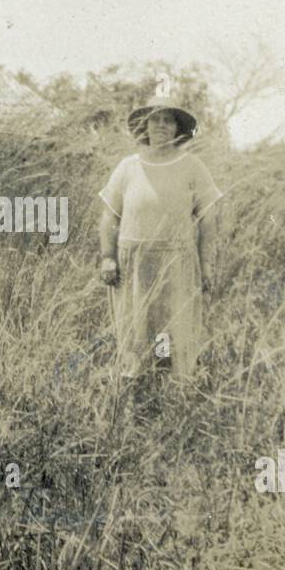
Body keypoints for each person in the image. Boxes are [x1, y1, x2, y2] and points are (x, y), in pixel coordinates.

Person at [98, 105, 224, 386]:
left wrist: (206, 265)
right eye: (155, 120)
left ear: (178, 129)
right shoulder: (128, 166)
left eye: (168, 121)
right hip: (133, 260)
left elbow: (208, 218)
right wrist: (108, 257)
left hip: (176, 259)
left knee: (174, 328)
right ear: (145, 127)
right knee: (134, 328)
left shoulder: (192, 165)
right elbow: (109, 216)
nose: (161, 126)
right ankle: (136, 393)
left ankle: (174, 392)